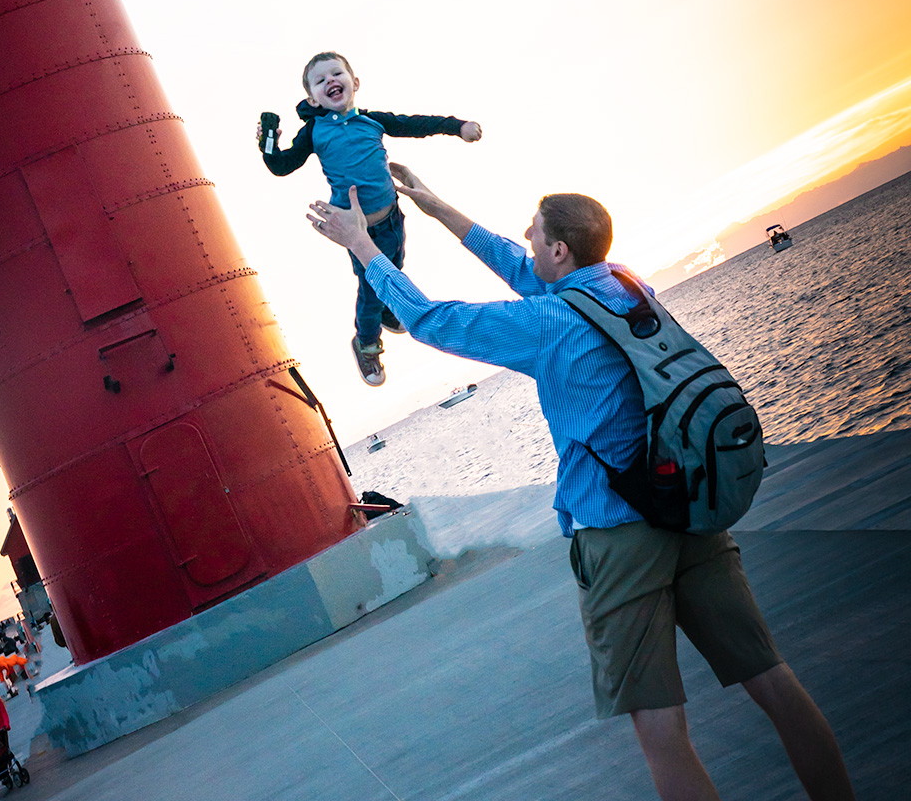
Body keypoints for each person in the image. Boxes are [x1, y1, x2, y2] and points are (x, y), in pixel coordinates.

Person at [308, 172, 855, 801]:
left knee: (660, 725)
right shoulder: (625, 282)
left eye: (534, 231)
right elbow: (523, 267)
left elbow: (433, 320)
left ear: (560, 250)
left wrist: (363, 248)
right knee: (772, 679)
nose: (525, 238)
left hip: (618, 535)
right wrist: (435, 208)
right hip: (690, 509)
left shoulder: (548, 324)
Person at [259, 50, 481, 384]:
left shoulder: (373, 120)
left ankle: (390, 312)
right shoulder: (314, 132)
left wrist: (457, 126)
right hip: (357, 230)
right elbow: (282, 165)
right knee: (369, 286)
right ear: (313, 99)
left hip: (392, 215)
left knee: (395, 266)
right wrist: (268, 139)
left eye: (337, 75)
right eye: (320, 81)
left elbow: (416, 124)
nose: (330, 81)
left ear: (355, 83)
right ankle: (365, 343)